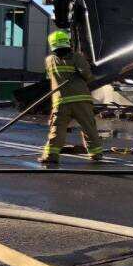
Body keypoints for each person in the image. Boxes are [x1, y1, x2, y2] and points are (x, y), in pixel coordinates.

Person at [39, 29, 103, 166]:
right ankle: (96, 153)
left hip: (61, 100)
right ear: (68, 43)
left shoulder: (49, 60)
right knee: (88, 127)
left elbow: (50, 77)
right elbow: (87, 76)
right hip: (81, 100)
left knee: (57, 128)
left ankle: (51, 155)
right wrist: (89, 70)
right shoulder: (77, 57)